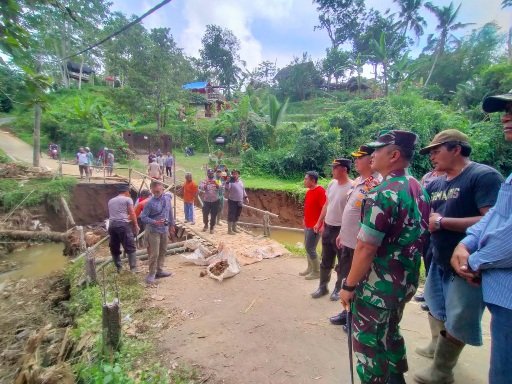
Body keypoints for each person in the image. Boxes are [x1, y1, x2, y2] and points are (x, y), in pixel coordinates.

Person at [340, 130, 430, 384]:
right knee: (390, 331)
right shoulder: (417, 187)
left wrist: (349, 285)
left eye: (378, 150)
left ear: (394, 155)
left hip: (378, 286)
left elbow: (366, 247)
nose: (373, 155)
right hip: (405, 282)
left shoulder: (383, 192)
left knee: (369, 342)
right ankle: (396, 377)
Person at [414, 129, 503, 384]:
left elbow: (492, 220)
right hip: (439, 258)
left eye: (436, 150)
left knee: (460, 316)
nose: (432, 156)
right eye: (430, 152)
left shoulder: (482, 176)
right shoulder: (438, 181)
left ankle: (442, 371)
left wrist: (443, 222)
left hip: (467, 264)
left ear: (456, 149)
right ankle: (435, 346)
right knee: (435, 305)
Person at [450, 91, 512, 384]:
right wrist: (466, 243)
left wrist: (474, 260)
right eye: (506, 110)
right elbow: (495, 218)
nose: (507, 117)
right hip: (502, 297)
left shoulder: (484, 175)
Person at [330, 145, 381, 325]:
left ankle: (355, 317)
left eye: (360, 158)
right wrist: (342, 234)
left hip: (360, 244)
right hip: (347, 240)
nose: (356, 161)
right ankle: (346, 312)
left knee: (358, 281)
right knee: (345, 276)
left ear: (371, 159)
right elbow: (351, 210)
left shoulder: (376, 183)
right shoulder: (359, 180)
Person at [311, 158, 352, 300]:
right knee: (325, 260)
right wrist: (319, 222)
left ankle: (338, 288)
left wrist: (344, 232)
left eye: (335, 168)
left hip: (341, 230)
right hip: (328, 227)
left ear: (344, 169)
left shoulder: (351, 187)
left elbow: (351, 214)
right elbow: (327, 204)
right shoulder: (332, 184)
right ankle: (323, 287)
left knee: (342, 262)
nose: (332, 170)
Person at [414, 169, 445, 311]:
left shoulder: (451, 179)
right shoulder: (428, 176)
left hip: (442, 231)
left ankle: (435, 297)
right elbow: (422, 199)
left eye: (436, 152)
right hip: (428, 228)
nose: (432, 156)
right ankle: (428, 292)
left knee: (437, 262)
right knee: (427, 259)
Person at [140, 181, 175, 285]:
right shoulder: (149, 203)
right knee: (154, 253)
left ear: (162, 189)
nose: (157, 193)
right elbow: (143, 217)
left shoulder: (168, 199)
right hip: (153, 231)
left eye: (158, 190)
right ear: (151, 190)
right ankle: (151, 273)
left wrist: (172, 225)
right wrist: (154, 221)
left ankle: (159, 270)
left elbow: (170, 212)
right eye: (154, 191)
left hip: (164, 230)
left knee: (163, 250)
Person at [300, 171, 326, 280]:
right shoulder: (309, 191)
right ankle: (310, 268)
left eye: (306, 179)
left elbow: (325, 208)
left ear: (313, 180)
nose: (304, 181)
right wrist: (304, 219)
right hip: (308, 224)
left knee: (310, 248)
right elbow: (308, 207)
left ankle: (317, 271)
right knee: (307, 246)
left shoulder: (320, 191)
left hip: (315, 225)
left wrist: (321, 224)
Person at [107, 184, 139, 273]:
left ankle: (119, 268)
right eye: (129, 192)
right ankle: (133, 269)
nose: (129, 193)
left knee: (114, 247)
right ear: (126, 192)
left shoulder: (111, 201)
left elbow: (115, 214)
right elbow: (132, 213)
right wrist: (136, 225)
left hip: (112, 225)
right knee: (130, 246)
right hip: (122, 225)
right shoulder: (127, 199)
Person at [225, 169, 248, 235]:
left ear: (238, 175)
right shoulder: (230, 182)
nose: (235, 175)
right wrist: (227, 182)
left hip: (240, 201)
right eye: (234, 174)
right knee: (231, 215)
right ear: (232, 175)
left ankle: (234, 228)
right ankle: (229, 230)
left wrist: (246, 197)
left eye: (236, 174)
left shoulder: (241, 181)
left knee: (237, 214)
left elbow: (243, 190)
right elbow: (227, 188)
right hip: (232, 201)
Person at [199, 169, 220, 234]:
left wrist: (217, 184)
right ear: (207, 174)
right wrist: (206, 184)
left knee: (214, 215)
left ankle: (211, 227)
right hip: (206, 201)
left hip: (215, 200)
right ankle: (206, 225)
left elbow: (221, 188)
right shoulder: (204, 180)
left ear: (213, 174)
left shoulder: (217, 180)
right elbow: (201, 188)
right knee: (205, 214)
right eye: (209, 173)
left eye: (212, 173)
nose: (211, 174)